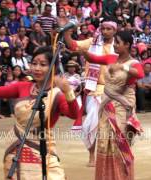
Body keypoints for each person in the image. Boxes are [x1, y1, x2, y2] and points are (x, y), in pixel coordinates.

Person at [0, 46, 79, 179]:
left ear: (52, 68)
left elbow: (74, 114)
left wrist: (68, 92)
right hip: (16, 146)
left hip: (42, 147)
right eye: (34, 63)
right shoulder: (22, 86)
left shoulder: (57, 94)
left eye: (43, 65)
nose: (37, 68)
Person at [83, 31, 144, 180]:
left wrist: (123, 68)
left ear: (127, 45)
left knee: (119, 141)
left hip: (123, 105)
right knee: (104, 142)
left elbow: (140, 74)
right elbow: (92, 57)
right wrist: (80, 47)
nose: (114, 45)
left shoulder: (133, 63)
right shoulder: (111, 58)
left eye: (117, 42)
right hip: (107, 104)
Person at [64, 18, 117, 166]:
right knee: (90, 125)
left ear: (114, 31)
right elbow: (73, 46)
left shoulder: (118, 46)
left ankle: (111, 156)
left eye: (109, 29)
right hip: (94, 89)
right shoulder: (92, 42)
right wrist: (67, 33)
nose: (105, 31)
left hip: (113, 90)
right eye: (104, 28)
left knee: (113, 126)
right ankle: (92, 155)